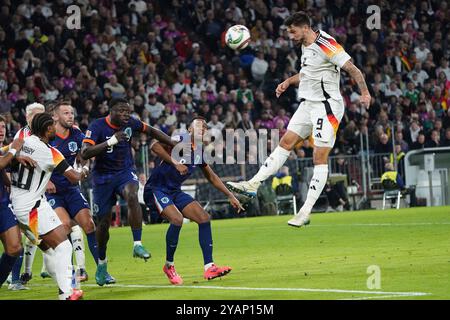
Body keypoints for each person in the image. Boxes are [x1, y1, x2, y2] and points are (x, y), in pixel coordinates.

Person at [227, 11, 371, 227]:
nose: (290, 36)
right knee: (285, 142)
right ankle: (252, 184)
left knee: (319, 157)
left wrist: (365, 93)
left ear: (305, 28)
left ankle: (305, 211)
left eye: (292, 32)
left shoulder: (326, 43)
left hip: (327, 107)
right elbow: (307, 73)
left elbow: (352, 68)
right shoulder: (304, 46)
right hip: (308, 104)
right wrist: (288, 81)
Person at [81, 98, 177, 286]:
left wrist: (172, 142)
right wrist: (111, 141)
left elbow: (151, 131)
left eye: (128, 111)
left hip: (125, 172)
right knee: (103, 224)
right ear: (111, 111)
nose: (126, 114)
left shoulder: (131, 123)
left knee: (132, 194)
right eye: (122, 111)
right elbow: (85, 153)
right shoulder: (97, 125)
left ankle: (137, 244)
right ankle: (102, 264)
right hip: (102, 178)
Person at [143, 117, 244, 285]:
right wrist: (175, 163)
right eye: (198, 125)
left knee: (204, 218)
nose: (202, 127)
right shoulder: (180, 140)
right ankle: (169, 265)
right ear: (189, 129)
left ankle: (209, 267)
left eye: (204, 126)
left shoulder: (199, 153)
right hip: (156, 189)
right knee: (177, 219)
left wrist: (230, 195)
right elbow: (154, 144)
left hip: (174, 191)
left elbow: (212, 177)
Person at [10, 112, 88, 300]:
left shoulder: (22, 142)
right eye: (52, 125)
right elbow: (74, 178)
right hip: (32, 208)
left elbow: (6, 152)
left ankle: (69, 288)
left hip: (18, 206)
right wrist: (85, 168)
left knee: (50, 250)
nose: (55, 127)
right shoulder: (50, 152)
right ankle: (66, 294)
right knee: (64, 247)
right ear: (47, 129)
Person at [0, 119, 36, 289]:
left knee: (14, 247)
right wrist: (14, 149)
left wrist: (14, 161)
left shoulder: (3, 151)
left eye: (3, 127)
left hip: (2, 203)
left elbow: (3, 173)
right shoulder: (8, 150)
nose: (1, 130)